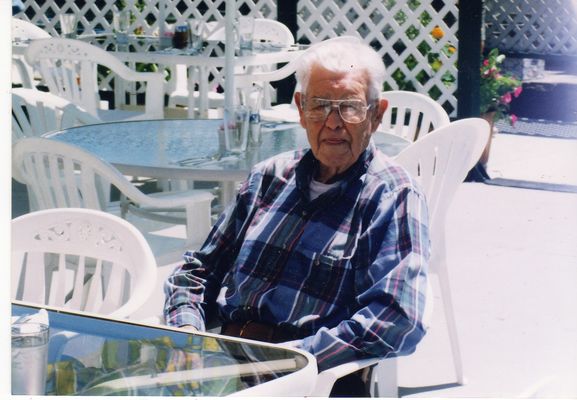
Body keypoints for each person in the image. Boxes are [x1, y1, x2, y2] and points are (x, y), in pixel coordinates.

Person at [164, 38, 430, 397]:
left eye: (349, 108)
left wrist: (291, 362)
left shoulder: (392, 195)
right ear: (301, 109)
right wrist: (188, 337)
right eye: (320, 106)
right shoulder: (269, 177)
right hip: (225, 364)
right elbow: (198, 271)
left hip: (310, 380)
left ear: (376, 114)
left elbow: (396, 319)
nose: (333, 123)